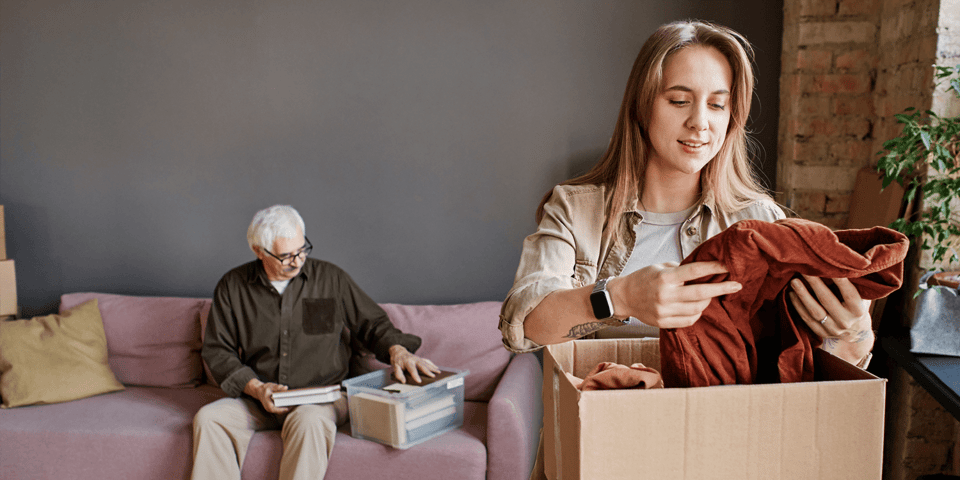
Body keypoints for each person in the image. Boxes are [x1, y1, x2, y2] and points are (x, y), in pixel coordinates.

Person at [499, 20, 874, 369]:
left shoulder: (760, 221)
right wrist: (622, 296)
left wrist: (854, 337)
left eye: (717, 104)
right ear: (643, 106)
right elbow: (526, 324)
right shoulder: (576, 208)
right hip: (603, 427)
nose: (700, 121)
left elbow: (801, 365)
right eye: (679, 100)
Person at [192, 205, 439, 480]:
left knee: (308, 421)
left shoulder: (332, 279)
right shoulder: (233, 286)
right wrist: (257, 388)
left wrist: (398, 351)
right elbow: (218, 351)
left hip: (323, 398)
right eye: (286, 256)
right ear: (258, 251)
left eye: (302, 249)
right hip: (260, 398)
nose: (297, 261)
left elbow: (373, 324)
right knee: (209, 418)